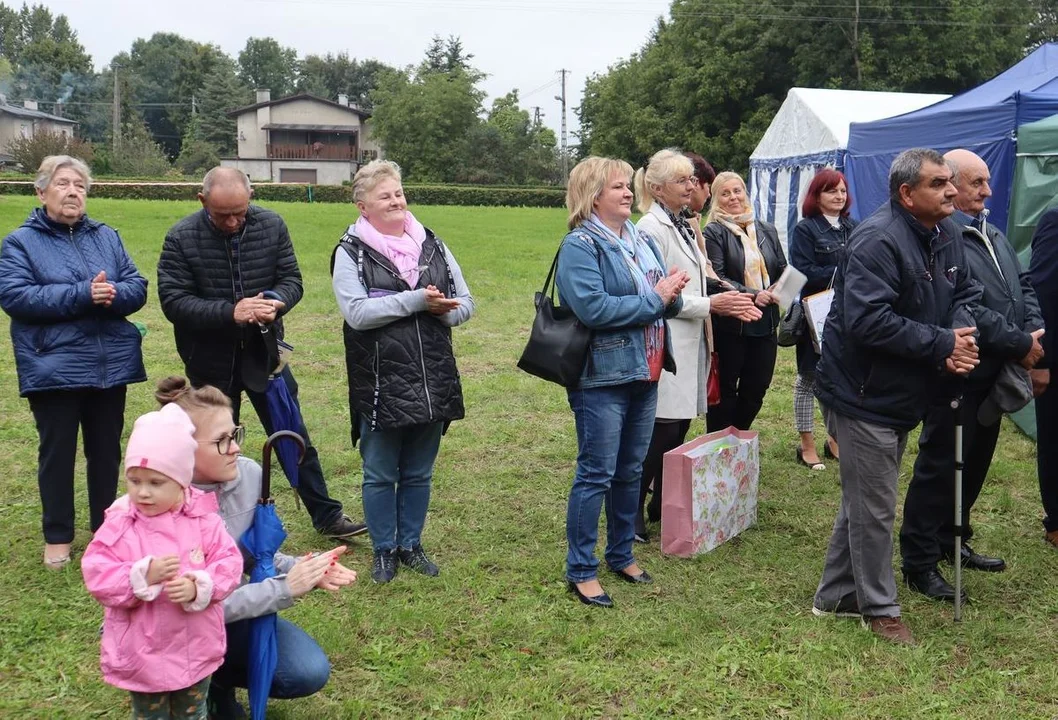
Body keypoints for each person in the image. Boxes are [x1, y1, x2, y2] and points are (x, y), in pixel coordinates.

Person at [812, 148, 983, 645]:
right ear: (907, 194)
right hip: (862, 393)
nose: (952, 190)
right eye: (938, 183)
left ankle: (836, 594)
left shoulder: (947, 233)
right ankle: (879, 608)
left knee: (865, 500)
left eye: (951, 180)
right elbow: (869, 323)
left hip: (901, 389)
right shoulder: (877, 240)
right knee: (876, 506)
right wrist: (942, 345)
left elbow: (966, 294)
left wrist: (954, 338)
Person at [157, 166, 366, 541]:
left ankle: (327, 516)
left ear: (250, 197)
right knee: (214, 448)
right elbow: (173, 302)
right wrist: (229, 312)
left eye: (241, 211)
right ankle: (209, 528)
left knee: (292, 434)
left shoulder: (271, 225)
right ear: (202, 201)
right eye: (223, 215)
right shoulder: (180, 238)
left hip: (264, 356)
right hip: (209, 362)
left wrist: (276, 302)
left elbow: (292, 281)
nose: (234, 221)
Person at [154, 376, 358, 719]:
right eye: (221, 440)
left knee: (306, 670)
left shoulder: (247, 475)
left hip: (228, 610)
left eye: (235, 434)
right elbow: (192, 607)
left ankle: (217, 679)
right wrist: (284, 589)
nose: (235, 448)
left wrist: (303, 567)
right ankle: (187, 682)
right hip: (173, 629)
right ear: (182, 448)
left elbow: (252, 556)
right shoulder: (159, 504)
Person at [898, 149, 1044, 599]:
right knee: (942, 462)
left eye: (986, 182)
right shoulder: (944, 238)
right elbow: (968, 308)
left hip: (995, 373)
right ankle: (919, 560)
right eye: (977, 183)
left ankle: (952, 539)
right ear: (950, 184)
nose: (988, 190)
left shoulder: (990, 231)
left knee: (975, 463)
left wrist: (1033, 330)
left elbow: (1023, 286)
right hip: (961, 371)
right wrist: (1020, 344)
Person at [331, 160, 475, 584]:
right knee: (379, 472)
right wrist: (416, 301)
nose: (395, 201)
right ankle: (383, 549)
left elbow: (466, 301)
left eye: (398, 193)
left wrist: (445, 312)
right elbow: (356, 313)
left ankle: (411, 544)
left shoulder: (433, 244)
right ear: (363, 207)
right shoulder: (350, 252)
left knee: (418, 472)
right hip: (380, 380)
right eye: (384, 196)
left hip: (432, 377)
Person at [0, 155, 147, 569]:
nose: (72, 192)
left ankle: (107, 531)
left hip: (109, 363)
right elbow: (16, 297)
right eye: (63, 183)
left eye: (80, 185)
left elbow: (137, 285)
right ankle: (58, 536)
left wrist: (115, 292)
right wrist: (84, 294)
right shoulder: (20, 243)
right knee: (58, 452)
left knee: (106, 451)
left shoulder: (106, 236)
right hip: (53, 364)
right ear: (41, 191)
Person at [554, 156, 689, 608]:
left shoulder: (638, 238)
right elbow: (594, 310)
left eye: (628, 186)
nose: (628, 193)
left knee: (631, 470)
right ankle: (581, 569)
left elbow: (662, 299)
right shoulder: (580, 245)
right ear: (593, 196)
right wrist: (657, 298)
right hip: (602, 377)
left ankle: (621, 554)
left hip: (645, 371)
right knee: (596, 472)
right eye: (617, 188)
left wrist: (671, 295)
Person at [81, 404, 244, 720]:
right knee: (150, 715)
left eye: (155, 483)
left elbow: (229, 563)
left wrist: (200, 586)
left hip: (195, 646)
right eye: (134, 480)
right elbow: (97, 573)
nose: (142, 492)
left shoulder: (203, 520)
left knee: (193, 711)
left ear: (182, 480)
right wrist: (140, 575)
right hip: (143, 654)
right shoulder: (120, 523)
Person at [632, 148, 760, 541]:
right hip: (668, 344)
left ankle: (658, 503)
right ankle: (632, 508)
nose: (692, 186)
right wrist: (713, 304)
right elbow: (656, 296)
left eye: (691, 179)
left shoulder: (683, 223)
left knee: (679, 425)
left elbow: (700, 276)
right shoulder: (651, 229)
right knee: (663, 430)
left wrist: (729, 293)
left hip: (691, 342)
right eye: (682, 181)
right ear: (657, 188)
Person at [703, 171, 787, 432]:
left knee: (756, 388)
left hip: (765, 321)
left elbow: (783, 268)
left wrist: (779, 287)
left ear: (745, 193)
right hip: (732, 324)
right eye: (725, 193)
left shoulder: (766, 229)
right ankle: (718, 445)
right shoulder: (714, 232)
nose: (733, 198)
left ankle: (737, 437)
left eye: (737, 191)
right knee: (726, 390)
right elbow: (716, 277)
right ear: (716, 199)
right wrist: (753, 294)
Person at [788, 169, 856, 470]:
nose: (839, 196)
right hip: (815, 314)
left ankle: (835, 439)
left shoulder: (853, 227)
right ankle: (806, 444)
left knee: (841, 378)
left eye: (842, 191)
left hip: (848, 314)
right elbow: (802, 270)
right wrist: (842, 274)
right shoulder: (806, 229)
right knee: (809, 378)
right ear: (818, 195)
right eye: (832, 191)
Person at [1029, 208, 1058, 546]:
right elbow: (1043, 293)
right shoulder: (1053, 222)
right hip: (1054, 360)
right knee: (1054, 438)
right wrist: (1042, 360)